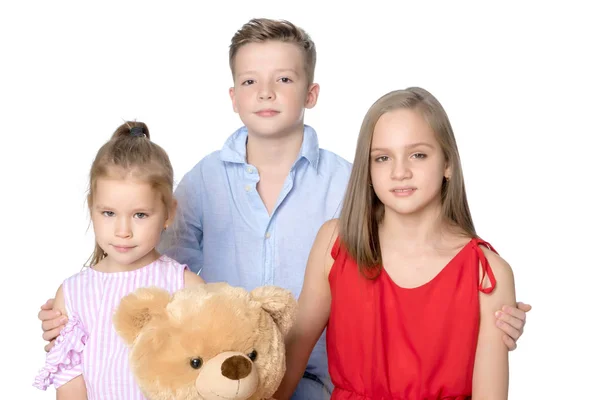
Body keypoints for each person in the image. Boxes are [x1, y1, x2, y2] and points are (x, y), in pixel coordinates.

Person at [37, 19, 531, 399]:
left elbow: (426, 284)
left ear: (311, 93)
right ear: (232, 97)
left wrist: (486, 315)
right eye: (250, 81)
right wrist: (78, 308)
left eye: (284, 79)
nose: (267, 92)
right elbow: (146, 272)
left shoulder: (350, 184)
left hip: (322, 381)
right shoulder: (203, 183)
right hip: (225, 383)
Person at [275, 87, 518, 399]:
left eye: (418, 155)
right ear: (369, 169)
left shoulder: (487, 274)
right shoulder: (334, 244)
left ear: (447, 164)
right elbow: (287, 367)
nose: (400, 172)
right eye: (383, 158)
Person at [33, 122, 205, 399]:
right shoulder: (74, 294)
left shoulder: (185, 287)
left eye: (140, 215)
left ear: (168, 213)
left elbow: (203, 374)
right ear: (92, 208)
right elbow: (70, 387)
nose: (122, 231)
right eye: (109, 213)